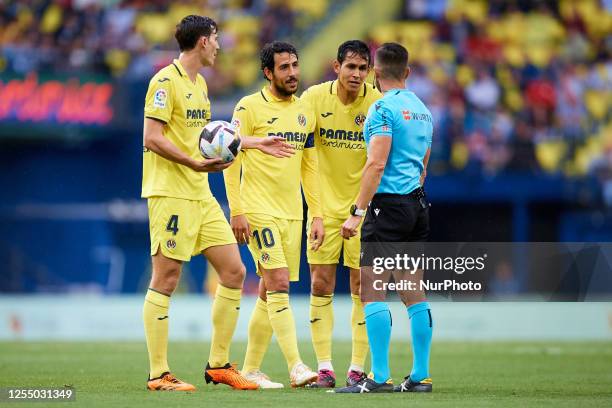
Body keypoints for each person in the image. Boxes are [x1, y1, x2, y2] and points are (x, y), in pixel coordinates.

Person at [141, 15, 294, 392]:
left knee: (234, 272)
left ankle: (218, 365)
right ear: (203, 41)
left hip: (200, 192)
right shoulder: (164, 81)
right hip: (170, 192)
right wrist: (194, 163)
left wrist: (255, 142)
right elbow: (151, 137)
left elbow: (209, 139)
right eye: (216, 39)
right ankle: (158, 374)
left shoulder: (200, 85)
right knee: (167, 278)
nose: (221, 46)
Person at [224, 41, 323, 388]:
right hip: (258, 210)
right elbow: (228, 159)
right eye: (284, 67)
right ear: (268, 73)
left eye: (295, 65)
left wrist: (317, 214)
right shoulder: (248, 106)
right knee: (279, 282)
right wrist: (237, 211)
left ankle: (250, 370)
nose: (293, 73)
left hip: (292, 214)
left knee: (270, 289)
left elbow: (309, 168)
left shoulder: (305, 110)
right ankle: (296, 366)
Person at [336, 42, 434, 393]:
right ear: (407, 72)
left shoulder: (382, 108)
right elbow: (423, 167)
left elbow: (376, 163)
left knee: (372, 290)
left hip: (386, 206)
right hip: (417, 205)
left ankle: (378, 377)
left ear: (375, 74)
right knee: (412, 288)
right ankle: (420, 375)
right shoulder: (423, 110)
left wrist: (357, 213)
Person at [299, 40, 382, 388]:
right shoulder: (314, 99)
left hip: (364, 210)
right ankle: (324, 367)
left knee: (363, 287)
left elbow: (381, 162)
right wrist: (314, 212)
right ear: (336, 66)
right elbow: (300, 154)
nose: (357, 74)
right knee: (320, 284)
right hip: (323, 211)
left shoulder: (377, 105)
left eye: (363, 68)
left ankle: (357, 367)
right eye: (351, 67)